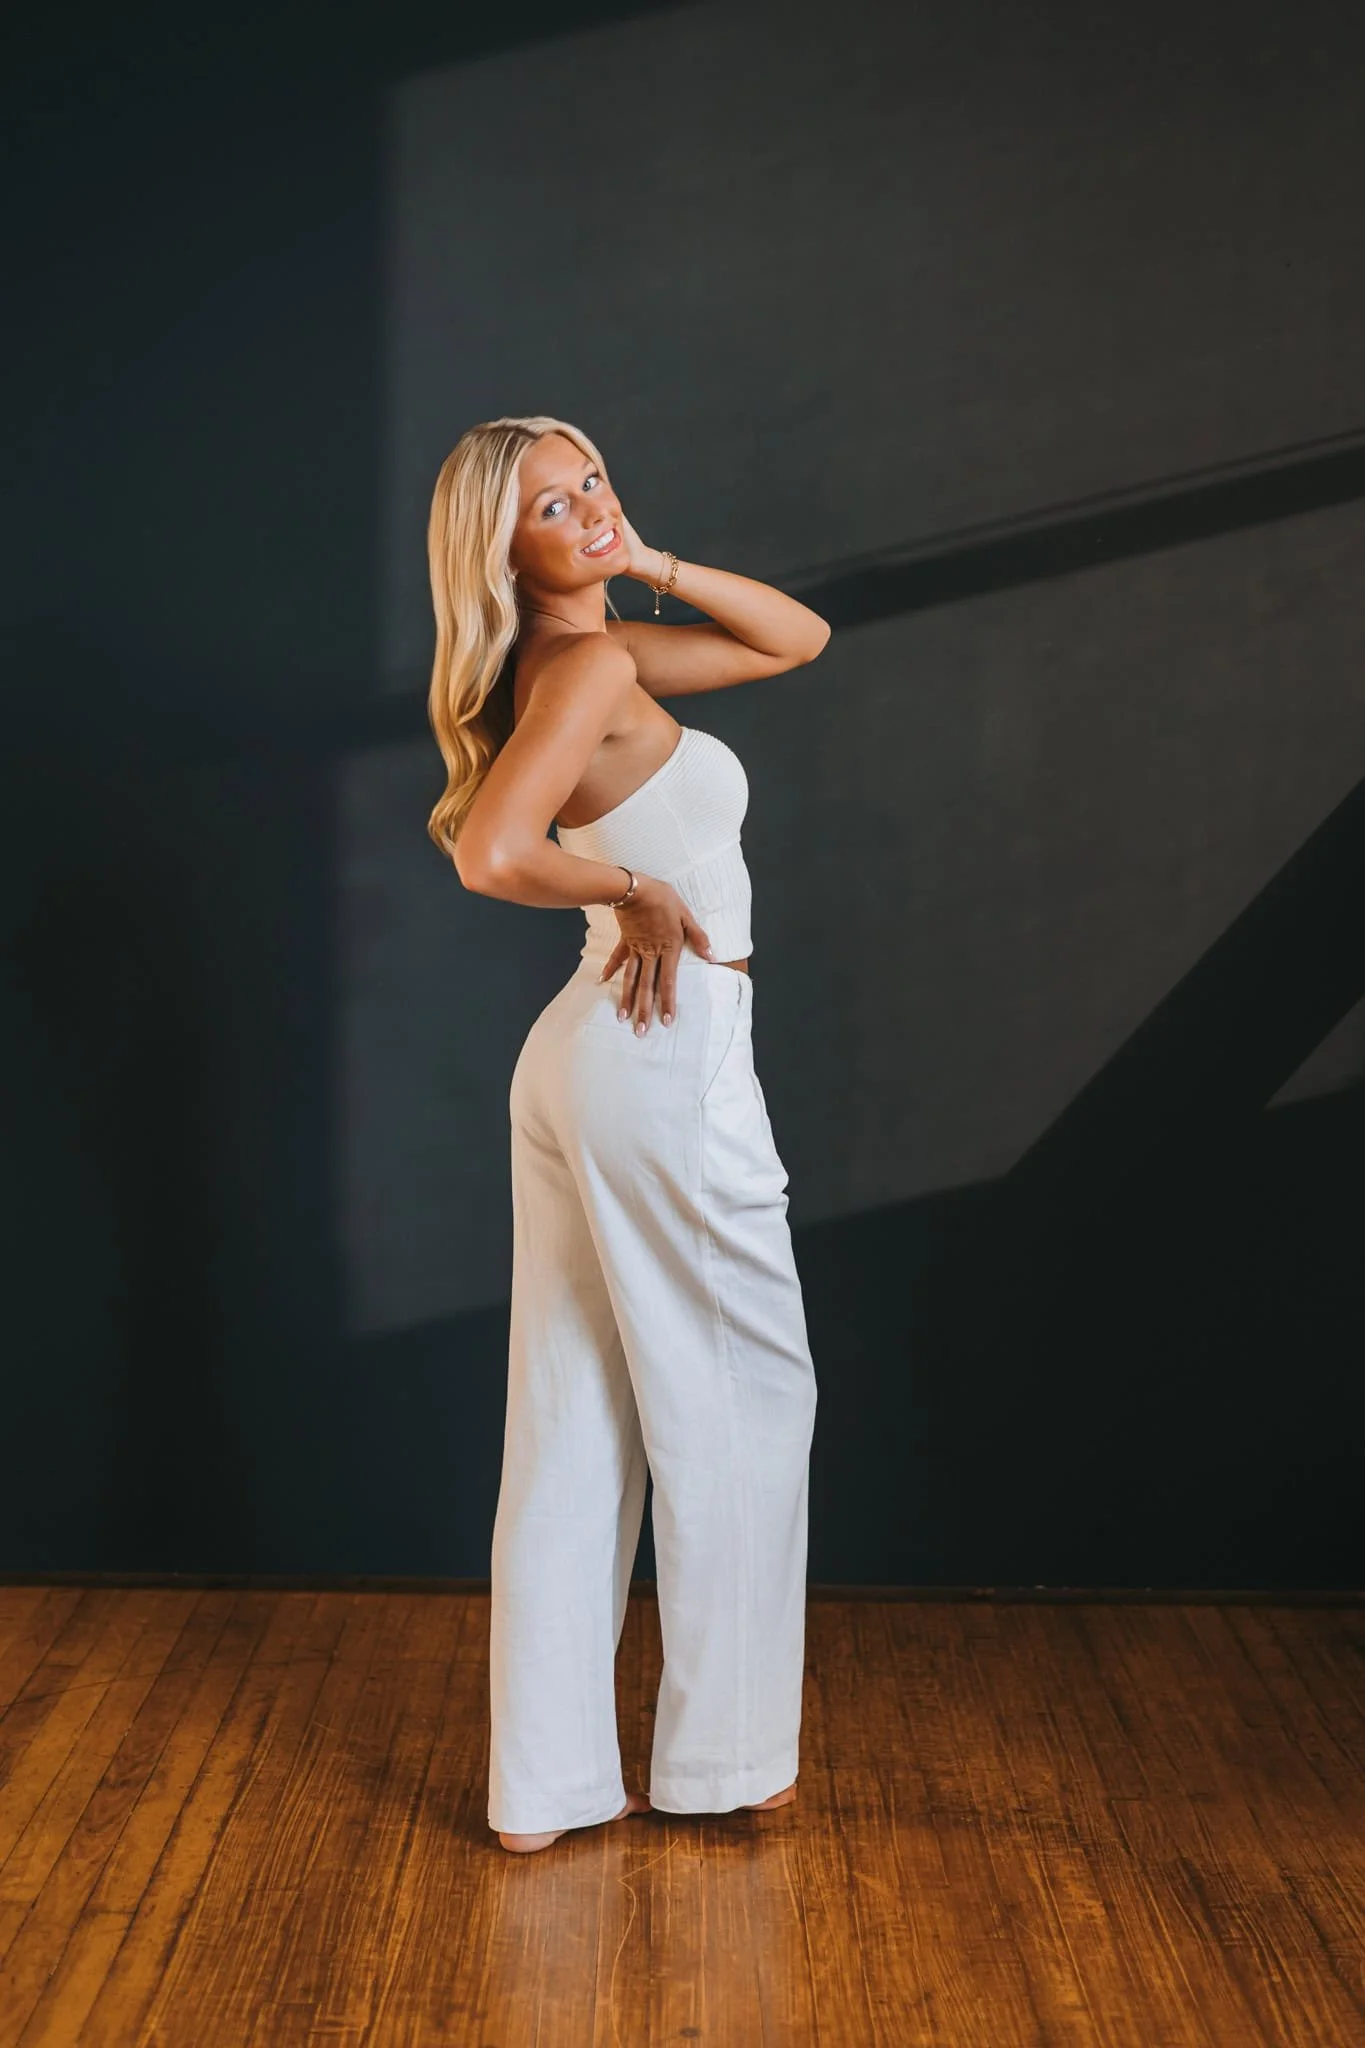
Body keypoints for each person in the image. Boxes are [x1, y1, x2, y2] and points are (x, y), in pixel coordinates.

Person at [426, 414, 829, 1853]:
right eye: (552, 505)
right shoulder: (587, 663)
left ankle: (544, 1792)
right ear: (502, 547)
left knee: (577, 1417)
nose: (588, 507)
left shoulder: (593, 653)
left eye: (590, 479)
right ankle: (725, 1761)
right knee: (743, 1401)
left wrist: (642, 555)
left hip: (592, 1051)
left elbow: (799, 638)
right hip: (662, 1046)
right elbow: (492, 850)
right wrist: (636, 890)